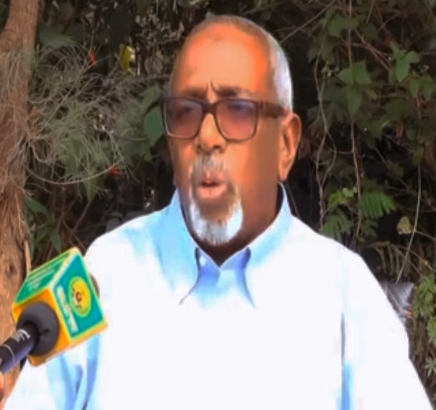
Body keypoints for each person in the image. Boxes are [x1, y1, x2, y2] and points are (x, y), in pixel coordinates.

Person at [1, 14, 433, 410]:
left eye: (238, 110)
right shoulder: (105, 275)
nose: (206, 137)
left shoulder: (342, 293)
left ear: (285, 145)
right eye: (186, 112)